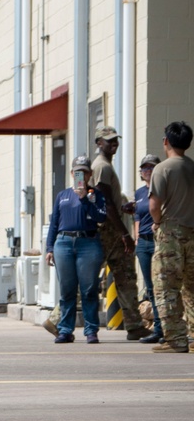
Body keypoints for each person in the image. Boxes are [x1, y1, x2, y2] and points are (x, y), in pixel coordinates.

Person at [45, 157, 107, 344]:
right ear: (72, 174)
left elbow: (101, 217)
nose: (81, 175)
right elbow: (54, 223)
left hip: (87, 242)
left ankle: (91, 330)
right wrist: (49, 248)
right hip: (64, 242)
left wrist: (85, 200)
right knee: (67, 289)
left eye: (85, 172)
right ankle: (65, 329)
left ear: (90, 174)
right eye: (77, 172)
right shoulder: (62, 195)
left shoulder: (95, 194)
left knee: (89, 289)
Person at [90, 126, 144, 339]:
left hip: (110, 229)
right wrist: (124, 234)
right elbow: (106, 204)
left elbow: (111, 203)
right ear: (98, 143)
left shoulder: (105, 166)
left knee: (124, 277)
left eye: (115, 140)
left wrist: (123, 207)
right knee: (120, 277)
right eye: (108, 140)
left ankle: (134, 324)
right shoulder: (102, 167)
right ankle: (58, 319)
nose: (114, 143)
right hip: (109, 232)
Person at [149, 120, 194, 354]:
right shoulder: (192, 166)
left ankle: (176, 338)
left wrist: (157, 223)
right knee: (192, 288)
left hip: (171, 234)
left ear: (166, 141)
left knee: (166, 287)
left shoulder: (162, 169)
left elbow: (154, 205)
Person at [134, 153, 164, 343]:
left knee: (163, 285)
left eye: (151, 168)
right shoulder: (139, 193)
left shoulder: (162, 189)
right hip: (143, 242)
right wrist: (136, 237)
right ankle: (158, 329)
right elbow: (137, 216)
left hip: (158, 240)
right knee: (151, 288)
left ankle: (168, 328)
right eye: (145, 168)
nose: (148, 171)